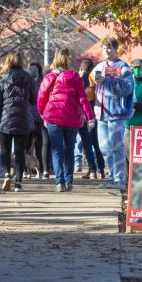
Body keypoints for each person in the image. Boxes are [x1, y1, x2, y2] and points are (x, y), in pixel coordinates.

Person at [38, 49, 96, 192]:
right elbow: (83, 99)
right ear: (68, 61)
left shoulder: (49, 77)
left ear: (55, 60)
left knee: (57, 151)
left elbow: (41, 98)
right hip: (72, 119)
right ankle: (69, 180)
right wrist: (90, 117)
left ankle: (59, 182)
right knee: (69, 149)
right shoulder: (76, 77)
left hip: (53, 117)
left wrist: (42, 114)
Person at [87, 37, 134, 189]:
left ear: (115, 49)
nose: (107, 50)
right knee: (104, 148)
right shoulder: (98, 67)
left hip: (117, 114)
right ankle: (111, 177)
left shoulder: (124, 67)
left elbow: (127, 88)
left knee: (116, 147)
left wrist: (106, 81)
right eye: (104, 48)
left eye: (109, 48)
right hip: (101, 113)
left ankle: (120, 179)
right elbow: (91, 86)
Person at [0, 51, 36, 192]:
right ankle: (18, 183)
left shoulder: (2, 79)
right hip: (23, 120)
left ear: (7, 62)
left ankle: (7, 175)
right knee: (19, 152)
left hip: (5, 120)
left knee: (4, 150)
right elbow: (34, 99)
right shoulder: (28, 78)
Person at [78, 59, 104, 180]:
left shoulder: (80, 80)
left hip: (85, 114)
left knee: (87, 144)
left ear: (81, 68)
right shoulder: (96, 79)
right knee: (97, 143)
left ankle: (92, 170)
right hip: (98, 112)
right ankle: (101, 169)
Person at [26, 62, 46, 179]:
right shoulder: (42, 82)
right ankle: (41, 170)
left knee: (28, 146)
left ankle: (27, 170)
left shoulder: (26, 83)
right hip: (38, 116)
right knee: (39, 146)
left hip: (30, 117)